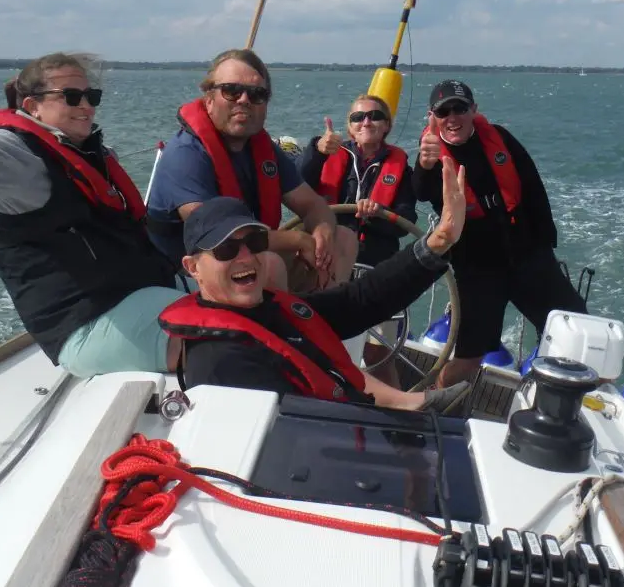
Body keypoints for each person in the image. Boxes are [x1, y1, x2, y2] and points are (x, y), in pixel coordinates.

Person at [0, 52, 185, 377]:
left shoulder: (87, 150)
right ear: (31, 106)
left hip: (137, 295)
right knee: (228, 337)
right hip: (88, 325)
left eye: (91, 96)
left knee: (249, 294)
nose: (86, 106)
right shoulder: (16, 156)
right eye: (71, 96)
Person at [159, 157, 473, 413]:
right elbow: (293, 436)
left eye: (253, 242)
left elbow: (360, 300)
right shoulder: (220, 363)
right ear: (192, 269)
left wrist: (438, 242)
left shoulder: (269, 310)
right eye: (226, 249)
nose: (244, 257)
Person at [413, 79, 587, 391]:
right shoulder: (430, 154)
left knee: (575, 326)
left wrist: (546, 245)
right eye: (444, 111)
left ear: (474, 110)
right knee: (468, 357)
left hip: (526, 256)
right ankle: (433, 406)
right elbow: (421, 192)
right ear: (433, 117)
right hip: (477, 268)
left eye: (460, 108)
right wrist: (424, 165)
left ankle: (562, 407)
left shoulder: (500, 139)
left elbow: (533, 187)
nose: (452, 117)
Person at [147, 48, 357, 292]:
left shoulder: (262, 150)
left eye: (257, 94)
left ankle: (321, 322)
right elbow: (217, 234)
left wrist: (323, 234)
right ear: (209, 99)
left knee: (343, 239)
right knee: (268, 263)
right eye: (231, 91)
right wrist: (299, 239)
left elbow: (313, 205)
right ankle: (279, 328)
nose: (244, 100)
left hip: (245, 256)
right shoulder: (185, 155)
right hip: (188, 274)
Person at [299, 93, 417, 386]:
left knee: (380, 355)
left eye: (375, 116)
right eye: (358, 117)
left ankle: (393, 416)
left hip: (376, 267)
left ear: (387, 125)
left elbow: (406, 223)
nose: (366, 121)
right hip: (328, 264)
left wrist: (379, 214)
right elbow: (296, 184)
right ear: (349, 127)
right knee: (313, 342)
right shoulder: (327, 153)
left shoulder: (402, 169)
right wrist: (316, 150)